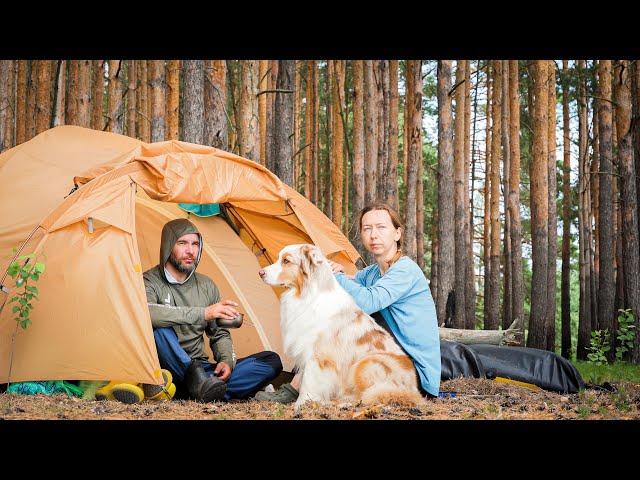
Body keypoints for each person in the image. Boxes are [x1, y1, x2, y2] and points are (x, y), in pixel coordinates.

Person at [255, 202, 441, 403]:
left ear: (397, 233)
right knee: (330, 328)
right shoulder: (371, 273)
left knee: (335, 327)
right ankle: (301, 388)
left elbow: (369, 301)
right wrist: (334, 274)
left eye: (381, 227)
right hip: (382, 358)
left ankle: (299, 391)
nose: (373, 234)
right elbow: (343, 289)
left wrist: (328, 271)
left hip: (408, 371)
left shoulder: (406, 270)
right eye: (367, 228)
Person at [143, 218, 282, 402]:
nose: (190, 251)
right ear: (168, 245)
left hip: (203, 369)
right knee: (160, 331)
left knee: (271, 360)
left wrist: (227, 361)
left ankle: (202, 390)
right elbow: (150, 314)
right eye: (182, 243)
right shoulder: (150, 281)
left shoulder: (206, 285)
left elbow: (219, 333)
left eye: (195, 244)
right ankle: (205, 388)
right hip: (170, 370)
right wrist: (203, 313)